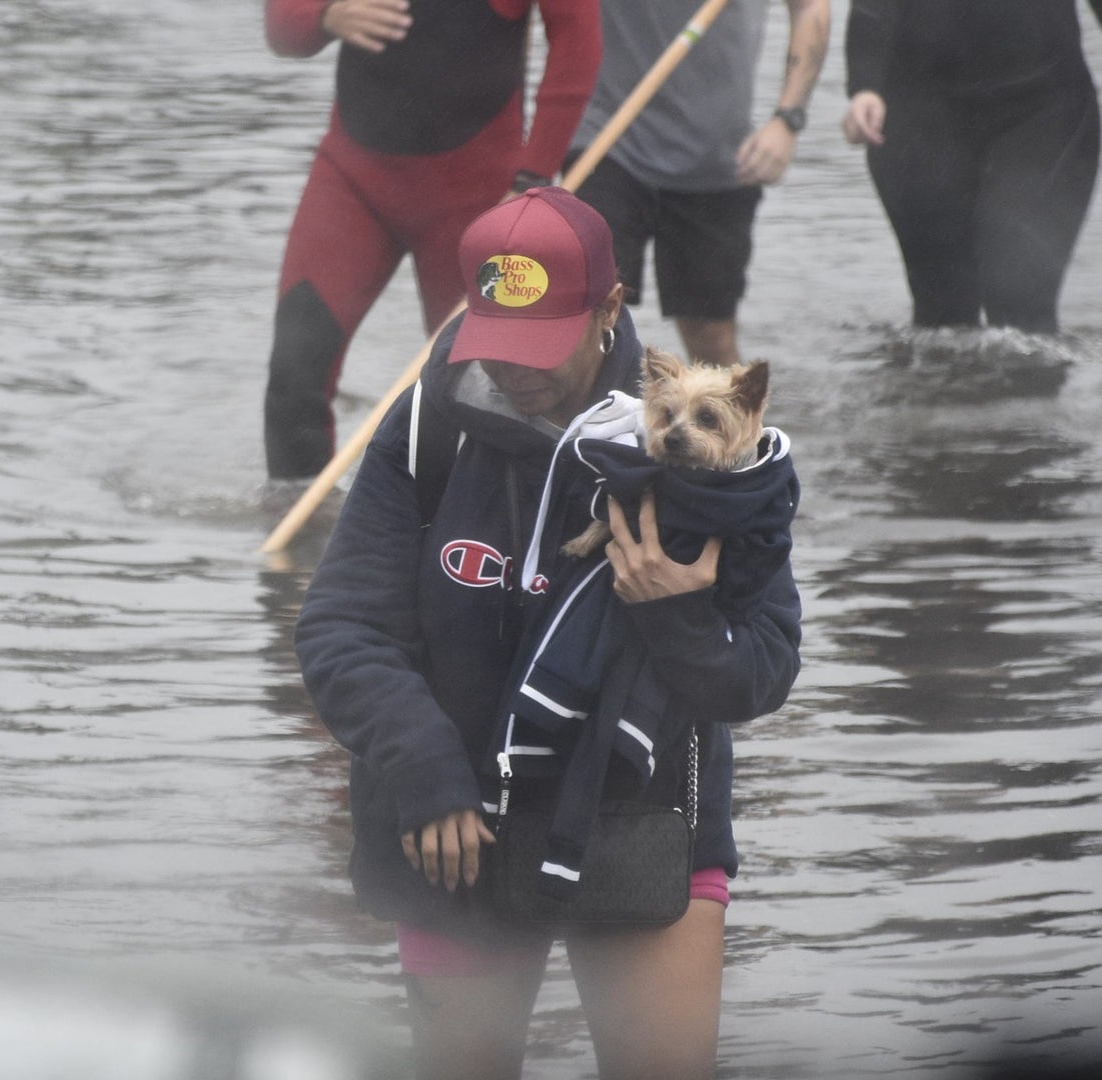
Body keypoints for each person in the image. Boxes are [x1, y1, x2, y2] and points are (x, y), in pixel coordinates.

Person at [295, 188, 801, 1079]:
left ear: (609, 309)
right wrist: (425, 772)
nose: (513, 371)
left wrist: (674, 611)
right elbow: (343, 629)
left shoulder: (706, 451)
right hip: (459, 831)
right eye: (496, 340)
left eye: (539, 345)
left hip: (643, 824)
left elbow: (760, 674)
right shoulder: (424, 430)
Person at [261, 0, 602, 482]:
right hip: (352, 181)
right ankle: (302, 543)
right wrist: (324, 16)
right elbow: (282, 30)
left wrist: (533, 176)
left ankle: (471, 532)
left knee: (484, 388)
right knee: (295, 373)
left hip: (477, 197)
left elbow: (577, 42)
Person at [840, 0, 1102, 334]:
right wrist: (864, 86)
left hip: (1044, 112)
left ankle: (1027, 384)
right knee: (942, 316)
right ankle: (939, 387)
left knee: (1021, 302)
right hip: (919, 116)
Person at [563, 0, 830, 368]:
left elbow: (810, 7)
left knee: (711, 338)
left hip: (715, 159)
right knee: (586, 324)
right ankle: (583, 424)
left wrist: (787, 119)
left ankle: (731, 426)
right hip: (607, 143)